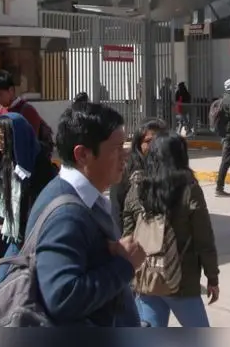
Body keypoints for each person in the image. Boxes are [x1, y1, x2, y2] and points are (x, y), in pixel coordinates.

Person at [24, 103, 145, 326]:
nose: (125, 155)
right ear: (82, 155)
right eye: (117, 147)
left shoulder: (84, 199)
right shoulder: (67, 215)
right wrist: (124, 265)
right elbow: (62, 297)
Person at [122, 132, 219, 327]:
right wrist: (212, 277)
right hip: (181, 280)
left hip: (146, 277)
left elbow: (128, 235)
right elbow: (203, 238)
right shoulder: (189, 189)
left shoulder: (137, 187)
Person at [0, 70, 57, 264]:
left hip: (23, 172)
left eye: (0, 94)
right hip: (7, 170)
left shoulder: (27, 112)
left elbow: (27, 144)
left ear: (11, 90)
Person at [0, 112, 43, 285]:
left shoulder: (39, 166)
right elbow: (2, 194)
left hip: (30, 236)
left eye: (2, 138)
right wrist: (2, 219)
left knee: (3, 280)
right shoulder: (8, 161)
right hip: (13, 234)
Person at [110, 119, 168, 228]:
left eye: (159, 140)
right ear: (138, 144)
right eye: (148, 141)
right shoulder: (125, 171)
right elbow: (116, 210)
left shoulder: (176, 171)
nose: (155, 146)